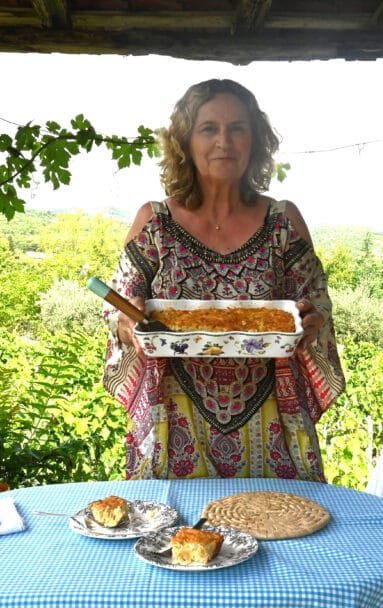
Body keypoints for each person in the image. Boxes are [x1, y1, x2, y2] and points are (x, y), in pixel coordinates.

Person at [101, 78, 344, 481]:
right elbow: (116, 308)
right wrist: (128, 324)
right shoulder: (155, 223)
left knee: (283, 528)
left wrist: (310, 317)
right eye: (209, 128)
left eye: (238, 128)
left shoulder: (283, 222)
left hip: (273, 420)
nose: (224, 142)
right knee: (173, 537)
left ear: (255, 140)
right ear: (185, 141)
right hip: (171, 417)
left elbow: (316, 302)